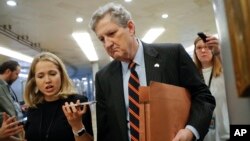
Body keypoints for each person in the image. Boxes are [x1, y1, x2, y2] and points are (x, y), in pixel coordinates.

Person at [89, 2, 216, 141]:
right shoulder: (103, 77)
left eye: (111, 33)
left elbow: (203, 97)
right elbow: (105, 130)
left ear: (130, 28)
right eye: (102, 39)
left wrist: (190, 130)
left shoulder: (172, 55)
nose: (107, 44)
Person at [23, 52, 93, 141]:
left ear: (61, 75)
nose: (47, 80)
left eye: (52, 74)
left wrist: (77, 126)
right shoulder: (33, 107)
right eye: (40, 76)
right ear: (34, 81)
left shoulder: (77, 102)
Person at [193, 35, 230, 141]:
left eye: (207, 47)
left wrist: (219, 52)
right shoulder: (193, 76)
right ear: (195, 52)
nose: (203, 50)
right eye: (199, 48)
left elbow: (235, 71)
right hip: (204, 134)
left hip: (226, 132)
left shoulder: (224, 72)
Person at [0, 60, 24, 135]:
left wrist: (19, 107)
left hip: (13, 130)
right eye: (16, 74)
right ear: (8, 71)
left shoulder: (7, 87)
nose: (17, 77)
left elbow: (8, 105)